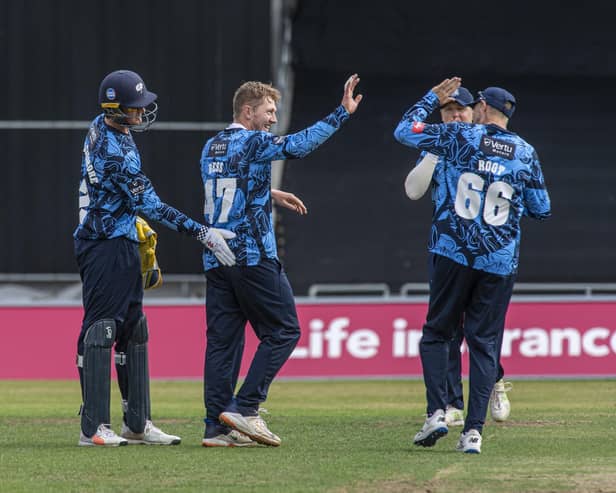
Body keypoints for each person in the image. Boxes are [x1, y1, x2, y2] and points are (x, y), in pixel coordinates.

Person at [74, 69, 236, 447]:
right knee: (100, 331)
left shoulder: (108, 126)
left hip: (121, 237)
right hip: (103, 245)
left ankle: (137, 423)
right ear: (116, 110)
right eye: (135, 108)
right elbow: (151, 205)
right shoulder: (113, 152)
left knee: (133, 329)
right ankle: (93, 427)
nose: (142, 113)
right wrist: (202, 233)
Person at [200, 74, 362, 447]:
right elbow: (299, 146)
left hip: (216, 258)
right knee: (285, 331)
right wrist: (342, 113)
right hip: (252, 255)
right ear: (247, 111)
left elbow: (226, 185)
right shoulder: (252, 141)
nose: (273, 118)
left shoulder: (212, 146)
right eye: (268, 111)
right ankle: (247, 408)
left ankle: (216, 426)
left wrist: (269, 191)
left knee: (222, 344)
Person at [394, 78, 550, 453]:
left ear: (482, 107)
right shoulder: (525, 152)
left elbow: (404, 130)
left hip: (452, 252)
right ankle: (474, 433)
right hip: (498, 261)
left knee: (436, 333)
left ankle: (437, 412)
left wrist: (430, 97)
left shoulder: (460, 136)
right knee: (483, 344)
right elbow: (542, 209)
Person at [403, 87, 513, 427]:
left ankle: (494, 379)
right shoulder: (443, 142)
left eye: (461, 110)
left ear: (475, 111)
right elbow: (413, 190)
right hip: (449, 250)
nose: (454, 115)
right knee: (447, 328)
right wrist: (435, 152)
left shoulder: (490, 145)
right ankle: (452, 401)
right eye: (448, 110)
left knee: (478, 332)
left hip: (487, 251)